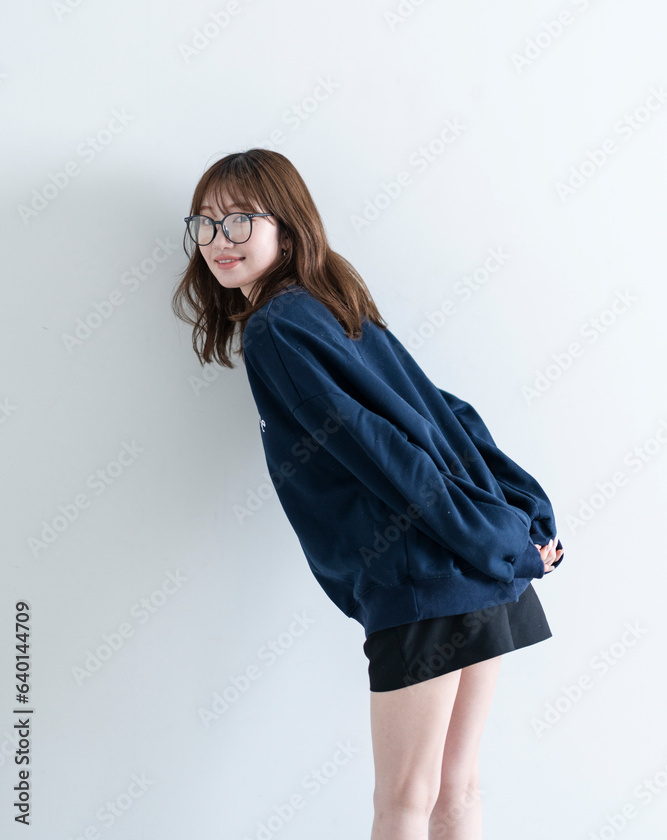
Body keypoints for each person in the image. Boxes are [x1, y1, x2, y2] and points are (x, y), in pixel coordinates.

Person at [172, 148, 564, 840]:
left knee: (402, 803)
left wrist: (504, 541)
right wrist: (518, 524)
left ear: (285, 226)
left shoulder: (277, 328)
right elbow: (447, 416)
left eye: (238, 221)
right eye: (203, 223)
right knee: (455, 791)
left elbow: (388, 454)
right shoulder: (333, 304)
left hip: (425, 580)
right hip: (472, 565)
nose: (217, 240)